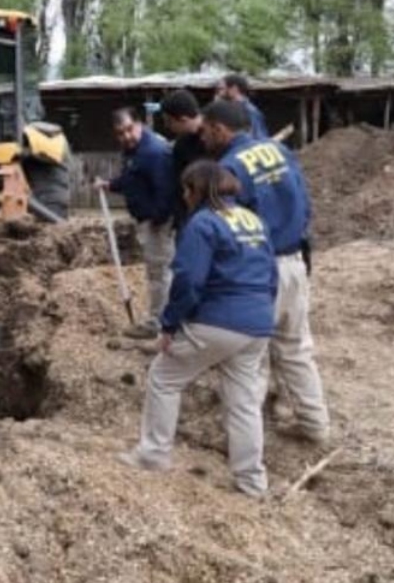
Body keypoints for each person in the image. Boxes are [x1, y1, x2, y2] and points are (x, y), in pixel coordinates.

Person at [119, 160, 278, 498]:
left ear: (196, 191)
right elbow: (271, 272)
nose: (184, 197)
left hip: (219, 319)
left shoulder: (204, 224)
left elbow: (189, 280)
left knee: (164, 377)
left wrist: (170, 325)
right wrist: (263, 314)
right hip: (259, 323)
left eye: (186, 190)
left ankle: (153, 454)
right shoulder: (254, 220)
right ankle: (251, 480)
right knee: (244, 402)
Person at [201, 99, 330, 444]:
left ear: (219, 128)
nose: (203, 140)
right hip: (294, 261)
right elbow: (305, 201)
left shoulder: (228, 168)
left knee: (248, 356)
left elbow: (231, 229)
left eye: (205, 132)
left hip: (259, 270)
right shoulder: (281, 152)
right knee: (296, 347)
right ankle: (315, 425)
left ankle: (241, 442)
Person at [94, 107, 175, 339]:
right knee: (157, 273)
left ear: (139, 124)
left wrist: (158, 220)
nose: (126, 136)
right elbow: (132, 179)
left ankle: (159, 325)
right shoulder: (135, 151)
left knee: (160, 274)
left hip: (159, 223)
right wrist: (110, 185)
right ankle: (163, 320)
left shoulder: (153, 152)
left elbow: (166, 191)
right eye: (120, 133)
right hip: (150, 221)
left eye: (130, 129)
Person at [160, 89, 206, 232]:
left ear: (183, 120)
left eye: (169, 122)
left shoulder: (216, 138)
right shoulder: (181, 144)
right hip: (190, 216)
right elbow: (177, 183)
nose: (167, 127)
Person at [217, 73, 269, 139]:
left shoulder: (249, 111)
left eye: (221, 89)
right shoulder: (229, 109)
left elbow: (258, 138)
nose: (218, 93)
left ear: (234, 89)